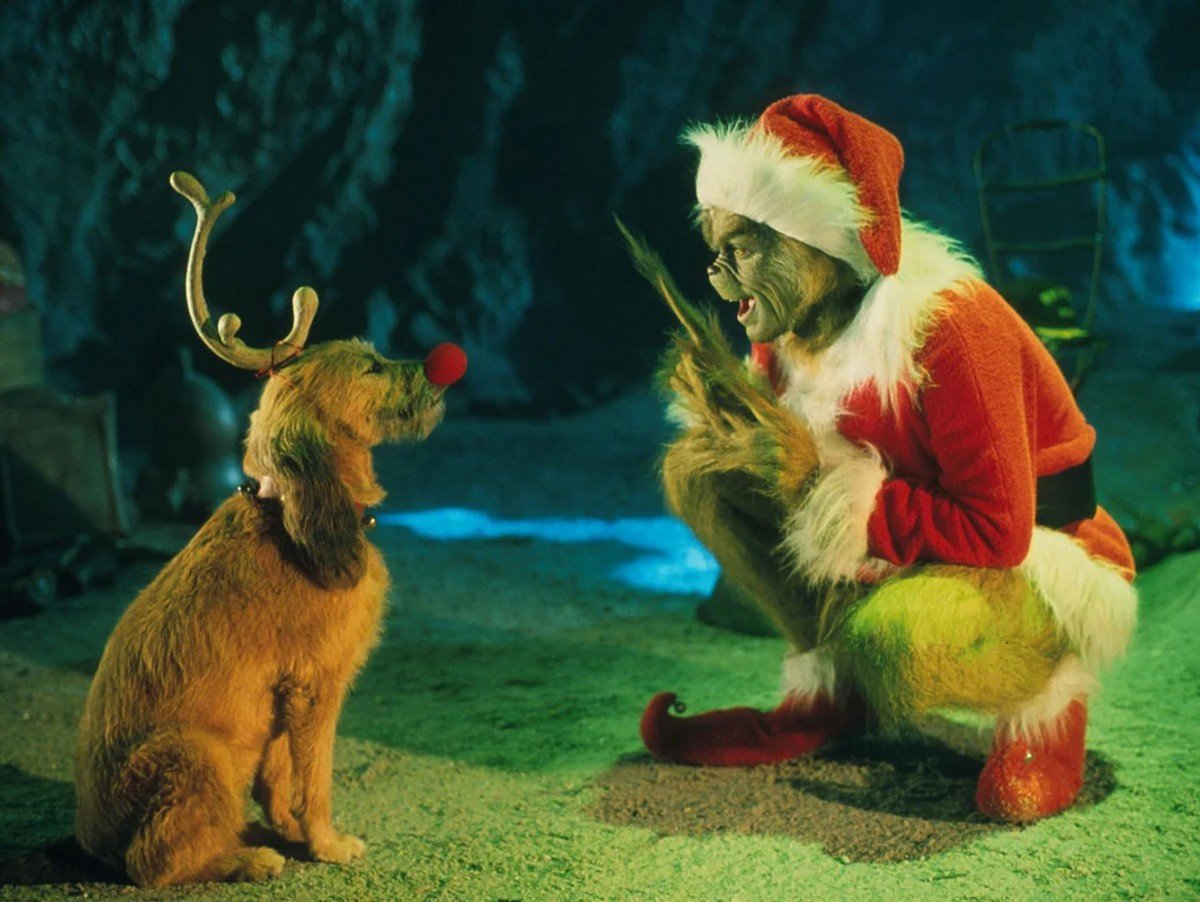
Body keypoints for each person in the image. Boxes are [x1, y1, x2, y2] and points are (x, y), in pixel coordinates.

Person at [638, 94, 1136, 823]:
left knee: (897, 636)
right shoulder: (783, 332)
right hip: (904, 542)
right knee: (700, 473)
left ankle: (1042, 704)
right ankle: (831, 686)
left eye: (742, 247)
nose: (721, 275)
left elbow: (999, 532)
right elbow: (783, 470)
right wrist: (726, 413)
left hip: (1036, 555)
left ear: (816, 241)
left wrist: (820, 484)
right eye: (716, 248)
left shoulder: (949, 328)